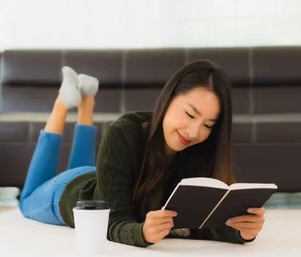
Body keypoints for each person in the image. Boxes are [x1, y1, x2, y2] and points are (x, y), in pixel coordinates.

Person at [18, 61, 266, 247]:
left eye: (208, 125)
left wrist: (242, 230)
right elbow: (112, 221)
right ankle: (62, 103)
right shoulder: (124, 132)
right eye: (190, 114)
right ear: (168, 99)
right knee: (27, 201)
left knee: (86, 170)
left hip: (105, 181)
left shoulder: (202, 150)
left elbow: (199, 225)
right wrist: (142, 233)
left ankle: (87, 102)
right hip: (70, 191)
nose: (193, 132)